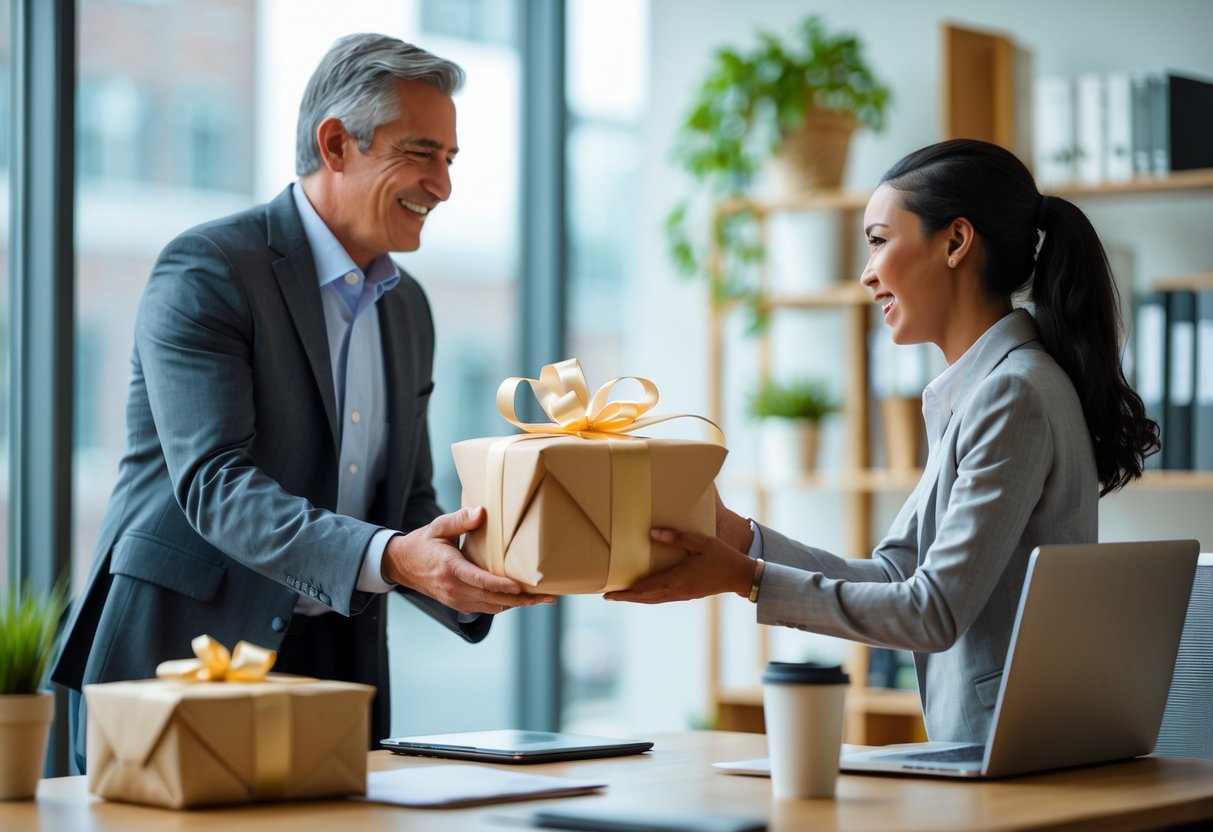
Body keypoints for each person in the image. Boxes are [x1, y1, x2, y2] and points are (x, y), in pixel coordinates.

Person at [52, 33, 552, 771]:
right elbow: (216, 484)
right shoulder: (208, 269)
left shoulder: (407, 308)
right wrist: (397, 558)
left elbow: (406, 503)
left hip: (334, 668)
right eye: (421, 153)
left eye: (449, 160)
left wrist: (506, 564)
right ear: (335, 144)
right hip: (179, 658)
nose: (441, 185)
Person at [607, 139, 1159, 744]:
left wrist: (747, 576)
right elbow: (899, 573)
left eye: (877, 241)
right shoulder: (987, 388)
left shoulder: (1013, 393)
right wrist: (743, 539)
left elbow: (932, 611)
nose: (867, 274)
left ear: (955, 242)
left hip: (1006, 757)